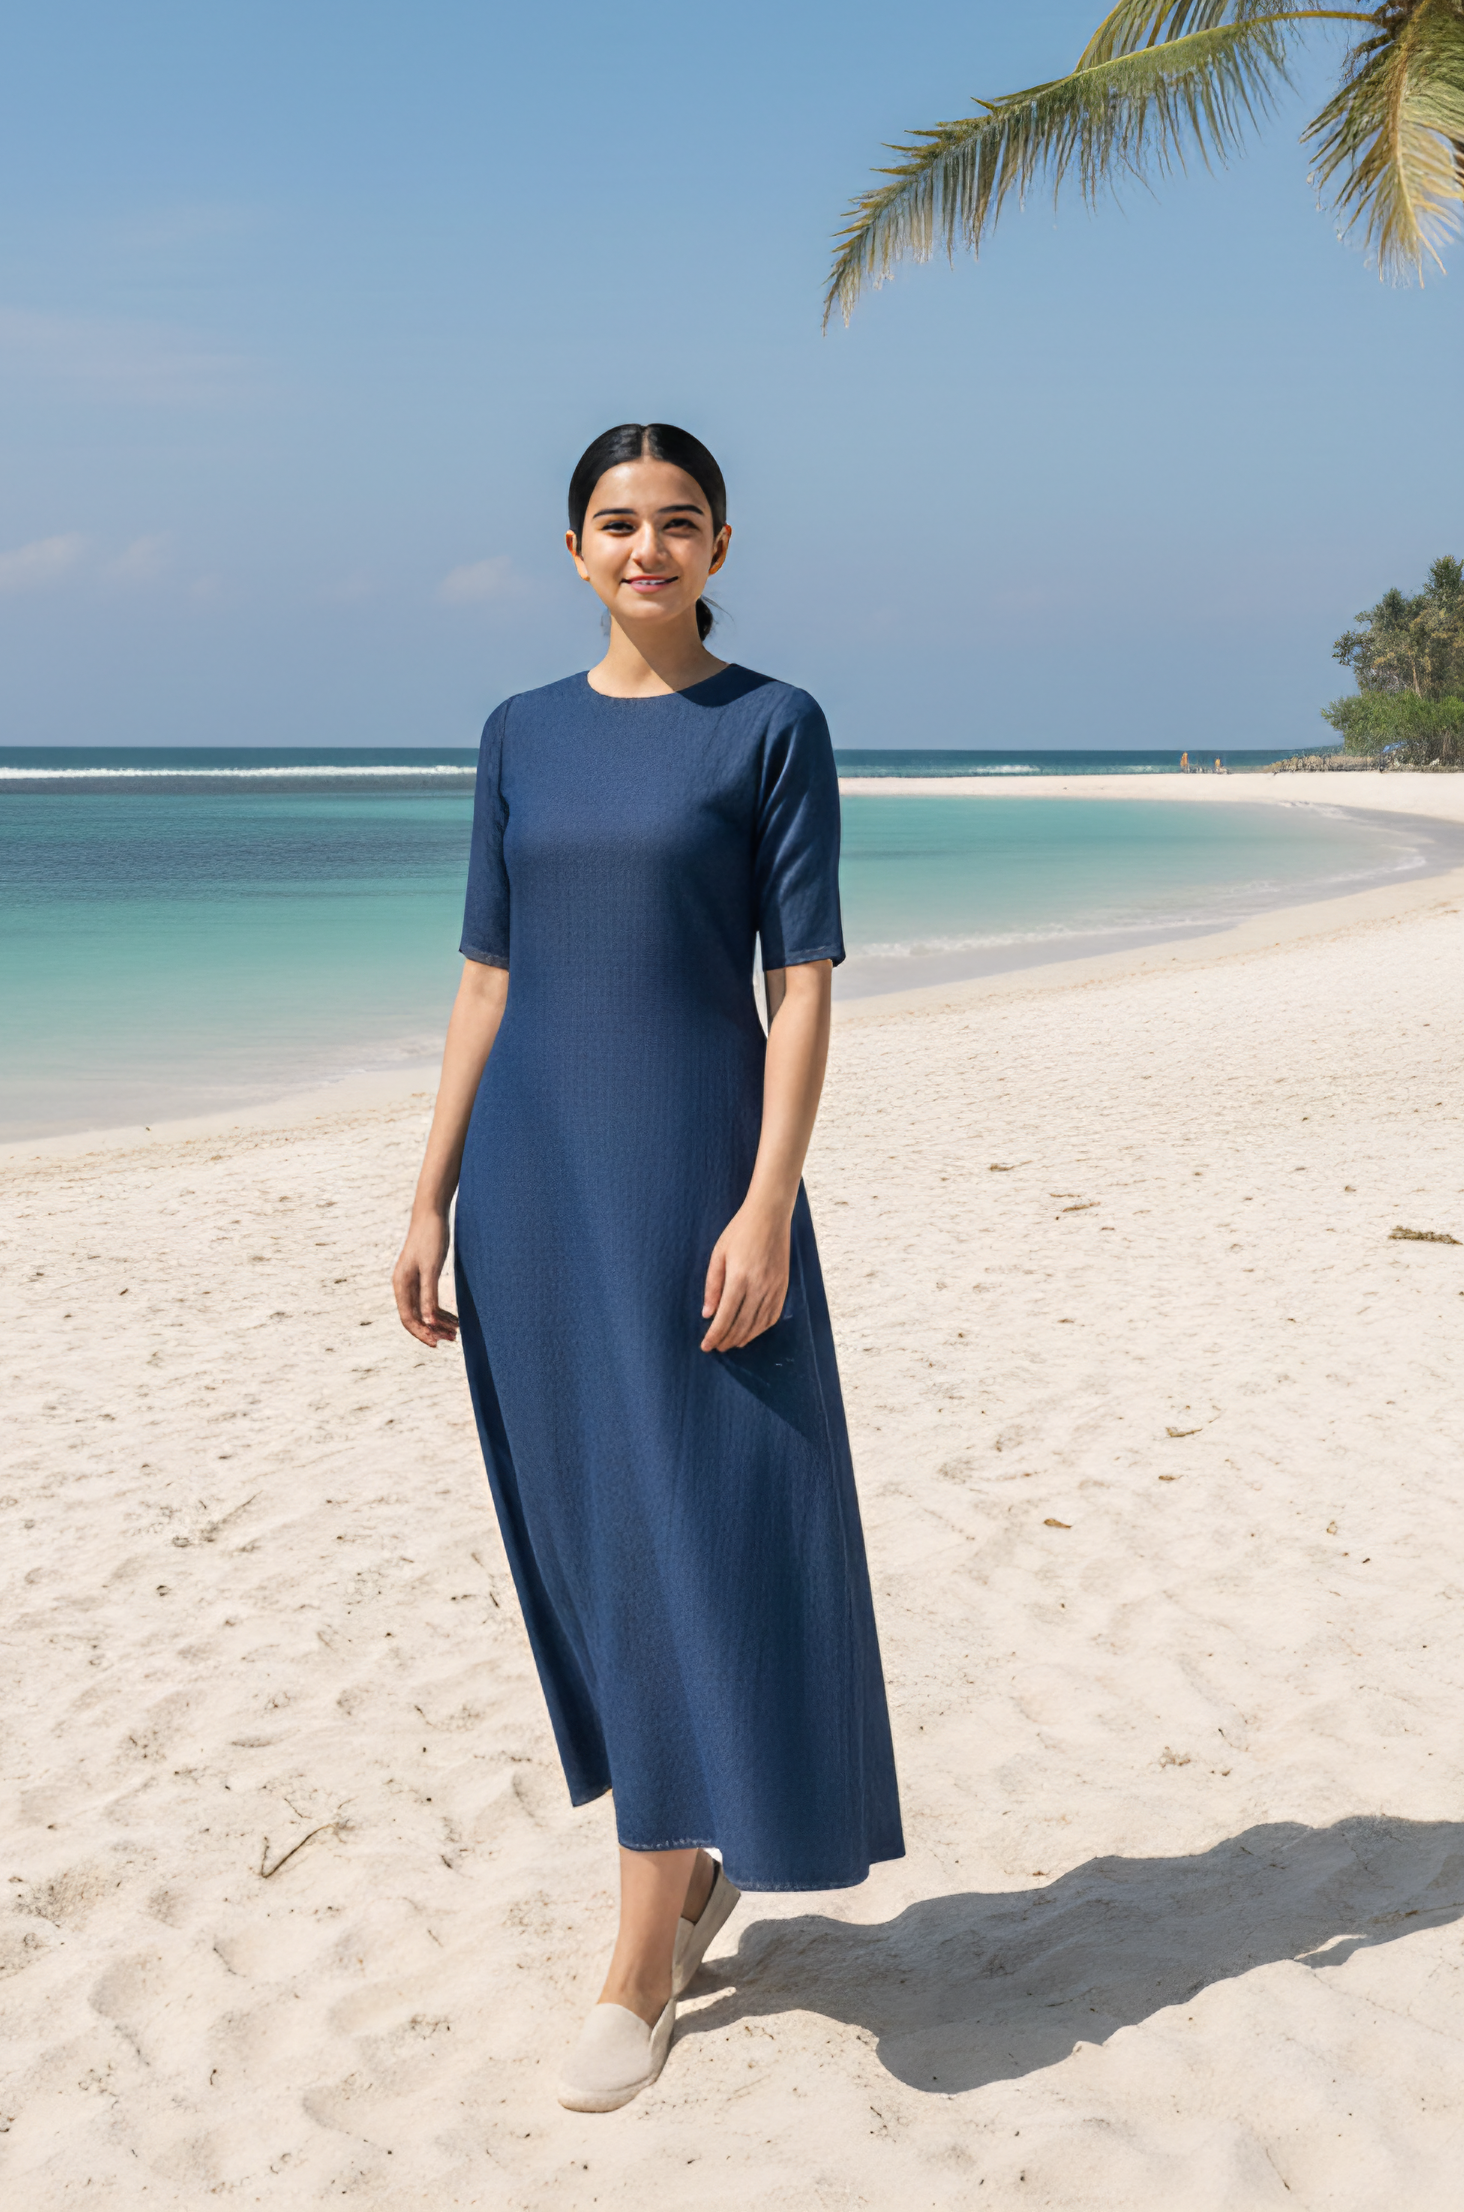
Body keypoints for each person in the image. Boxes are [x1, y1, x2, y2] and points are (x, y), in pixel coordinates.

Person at [391, 422, 902, 2114]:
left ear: (721, 543)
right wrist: (426, 1190)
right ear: (572, 547)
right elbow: (484, 980)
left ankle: (637, 1953)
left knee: (704, 1516)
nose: (646, 547)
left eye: (677, 522)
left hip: (695, 1174)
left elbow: (803, 984)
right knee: (599, 1539)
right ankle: (673, 1878)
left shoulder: (770, 725)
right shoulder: (518, 734)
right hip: (533, 1188)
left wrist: (766, 1202)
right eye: (617, 523)